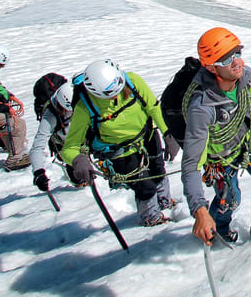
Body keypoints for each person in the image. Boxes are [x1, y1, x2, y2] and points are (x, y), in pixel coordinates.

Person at [181, 27, 251, 244]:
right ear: (211, 66)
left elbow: (249, 102)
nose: (236, 62)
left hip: (248, 140)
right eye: (226, 59)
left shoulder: (246, 75)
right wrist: (199, 210)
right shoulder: (202, 108)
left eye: (237, 53)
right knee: (230, 200)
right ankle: (217, 230)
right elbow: (191, 164)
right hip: (220, 157)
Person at [60, 59, 179, 227]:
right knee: (145, 186)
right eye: (110, 95)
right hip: (119, 152)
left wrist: (168, 133)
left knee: (158, 170)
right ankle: (152, 219)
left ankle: (165, 202)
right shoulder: (85, 107)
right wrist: (77, 160)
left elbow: (153, 107)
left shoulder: (133, 81)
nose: (117, 96)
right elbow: (70, 147)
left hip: (147, 136)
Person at [30, 83, 83, 192]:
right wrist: (39, 172)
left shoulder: (79, 100)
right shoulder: (50, 117)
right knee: (78, 176)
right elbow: (37, 147)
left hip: (80, 138)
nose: (70, 112)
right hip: (66, 145)